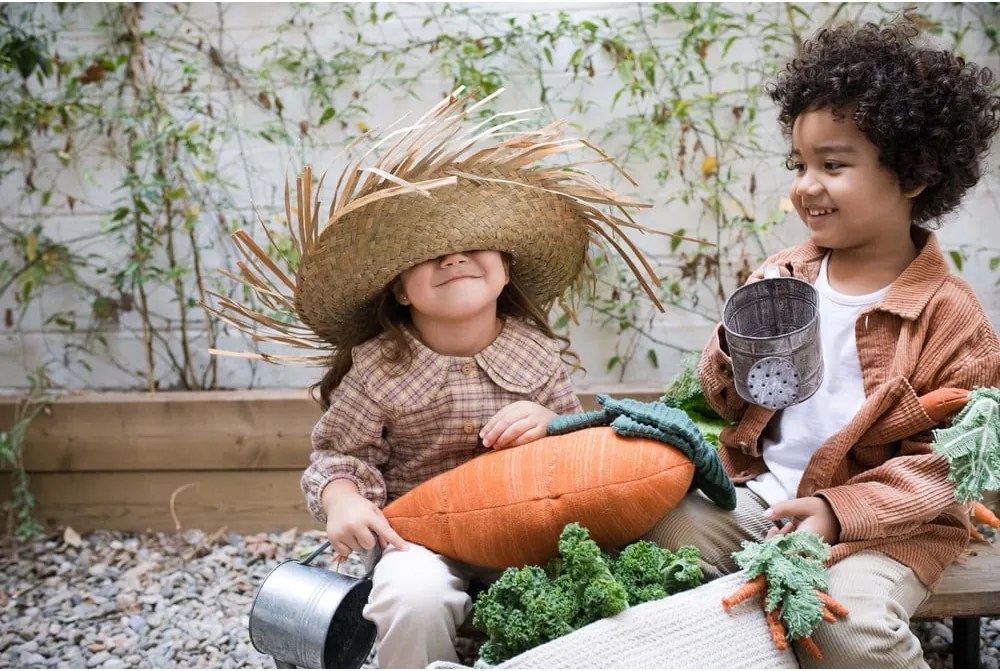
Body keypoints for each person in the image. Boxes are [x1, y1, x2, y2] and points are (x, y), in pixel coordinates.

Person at [212, 89, 662, 668]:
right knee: (412, 598)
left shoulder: (537, 356)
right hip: (420, 539)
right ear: (400, 290)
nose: (453, 258)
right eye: (429, 256)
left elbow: (576, 453)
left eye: (473, 245)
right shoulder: (381, 368)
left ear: (505, 271)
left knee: (581, 596)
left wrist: (552, 424)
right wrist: (344, 500)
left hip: (522, 531)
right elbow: (338, 458)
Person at [643, 18, 1000, 668]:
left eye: (833, 165)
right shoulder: (786, 274)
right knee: (655, 541)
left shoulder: (950, 317)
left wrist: (837, 513)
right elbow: (724, 403)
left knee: (847, 629)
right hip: (765, 493)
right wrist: (732, 340)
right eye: (799, 164)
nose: (807, 184)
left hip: (885, 528)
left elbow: (944, 470)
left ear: (914, 174)